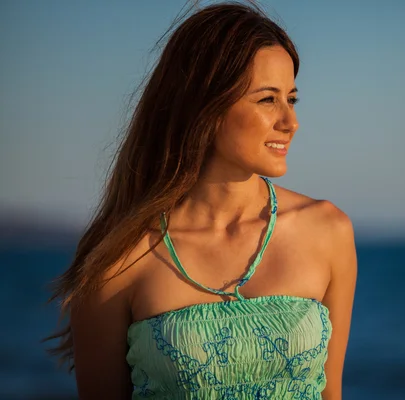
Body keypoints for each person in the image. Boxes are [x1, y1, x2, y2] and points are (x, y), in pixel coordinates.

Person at [47, 2, 357, 399]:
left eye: (291, 99)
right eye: (267, 100)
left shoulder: (328, 231)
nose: (290, 121)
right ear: (205, 107)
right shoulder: (117, 260)